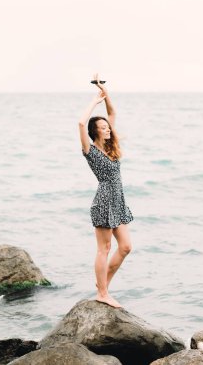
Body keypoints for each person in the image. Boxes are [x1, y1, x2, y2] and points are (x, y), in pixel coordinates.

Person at [78, 74, 133, 308]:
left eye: (107, 127)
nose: (107, 129)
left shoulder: (111, 147)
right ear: (95, 131)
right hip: (103, 201)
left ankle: (104, 287)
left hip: (118, 200)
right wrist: (94, 101)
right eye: (102, 127)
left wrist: (105, 94)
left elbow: (113, 115)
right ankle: (102, 292)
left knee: (126, 247)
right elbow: (81, 123)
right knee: (104, 248)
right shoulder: (90, 150)